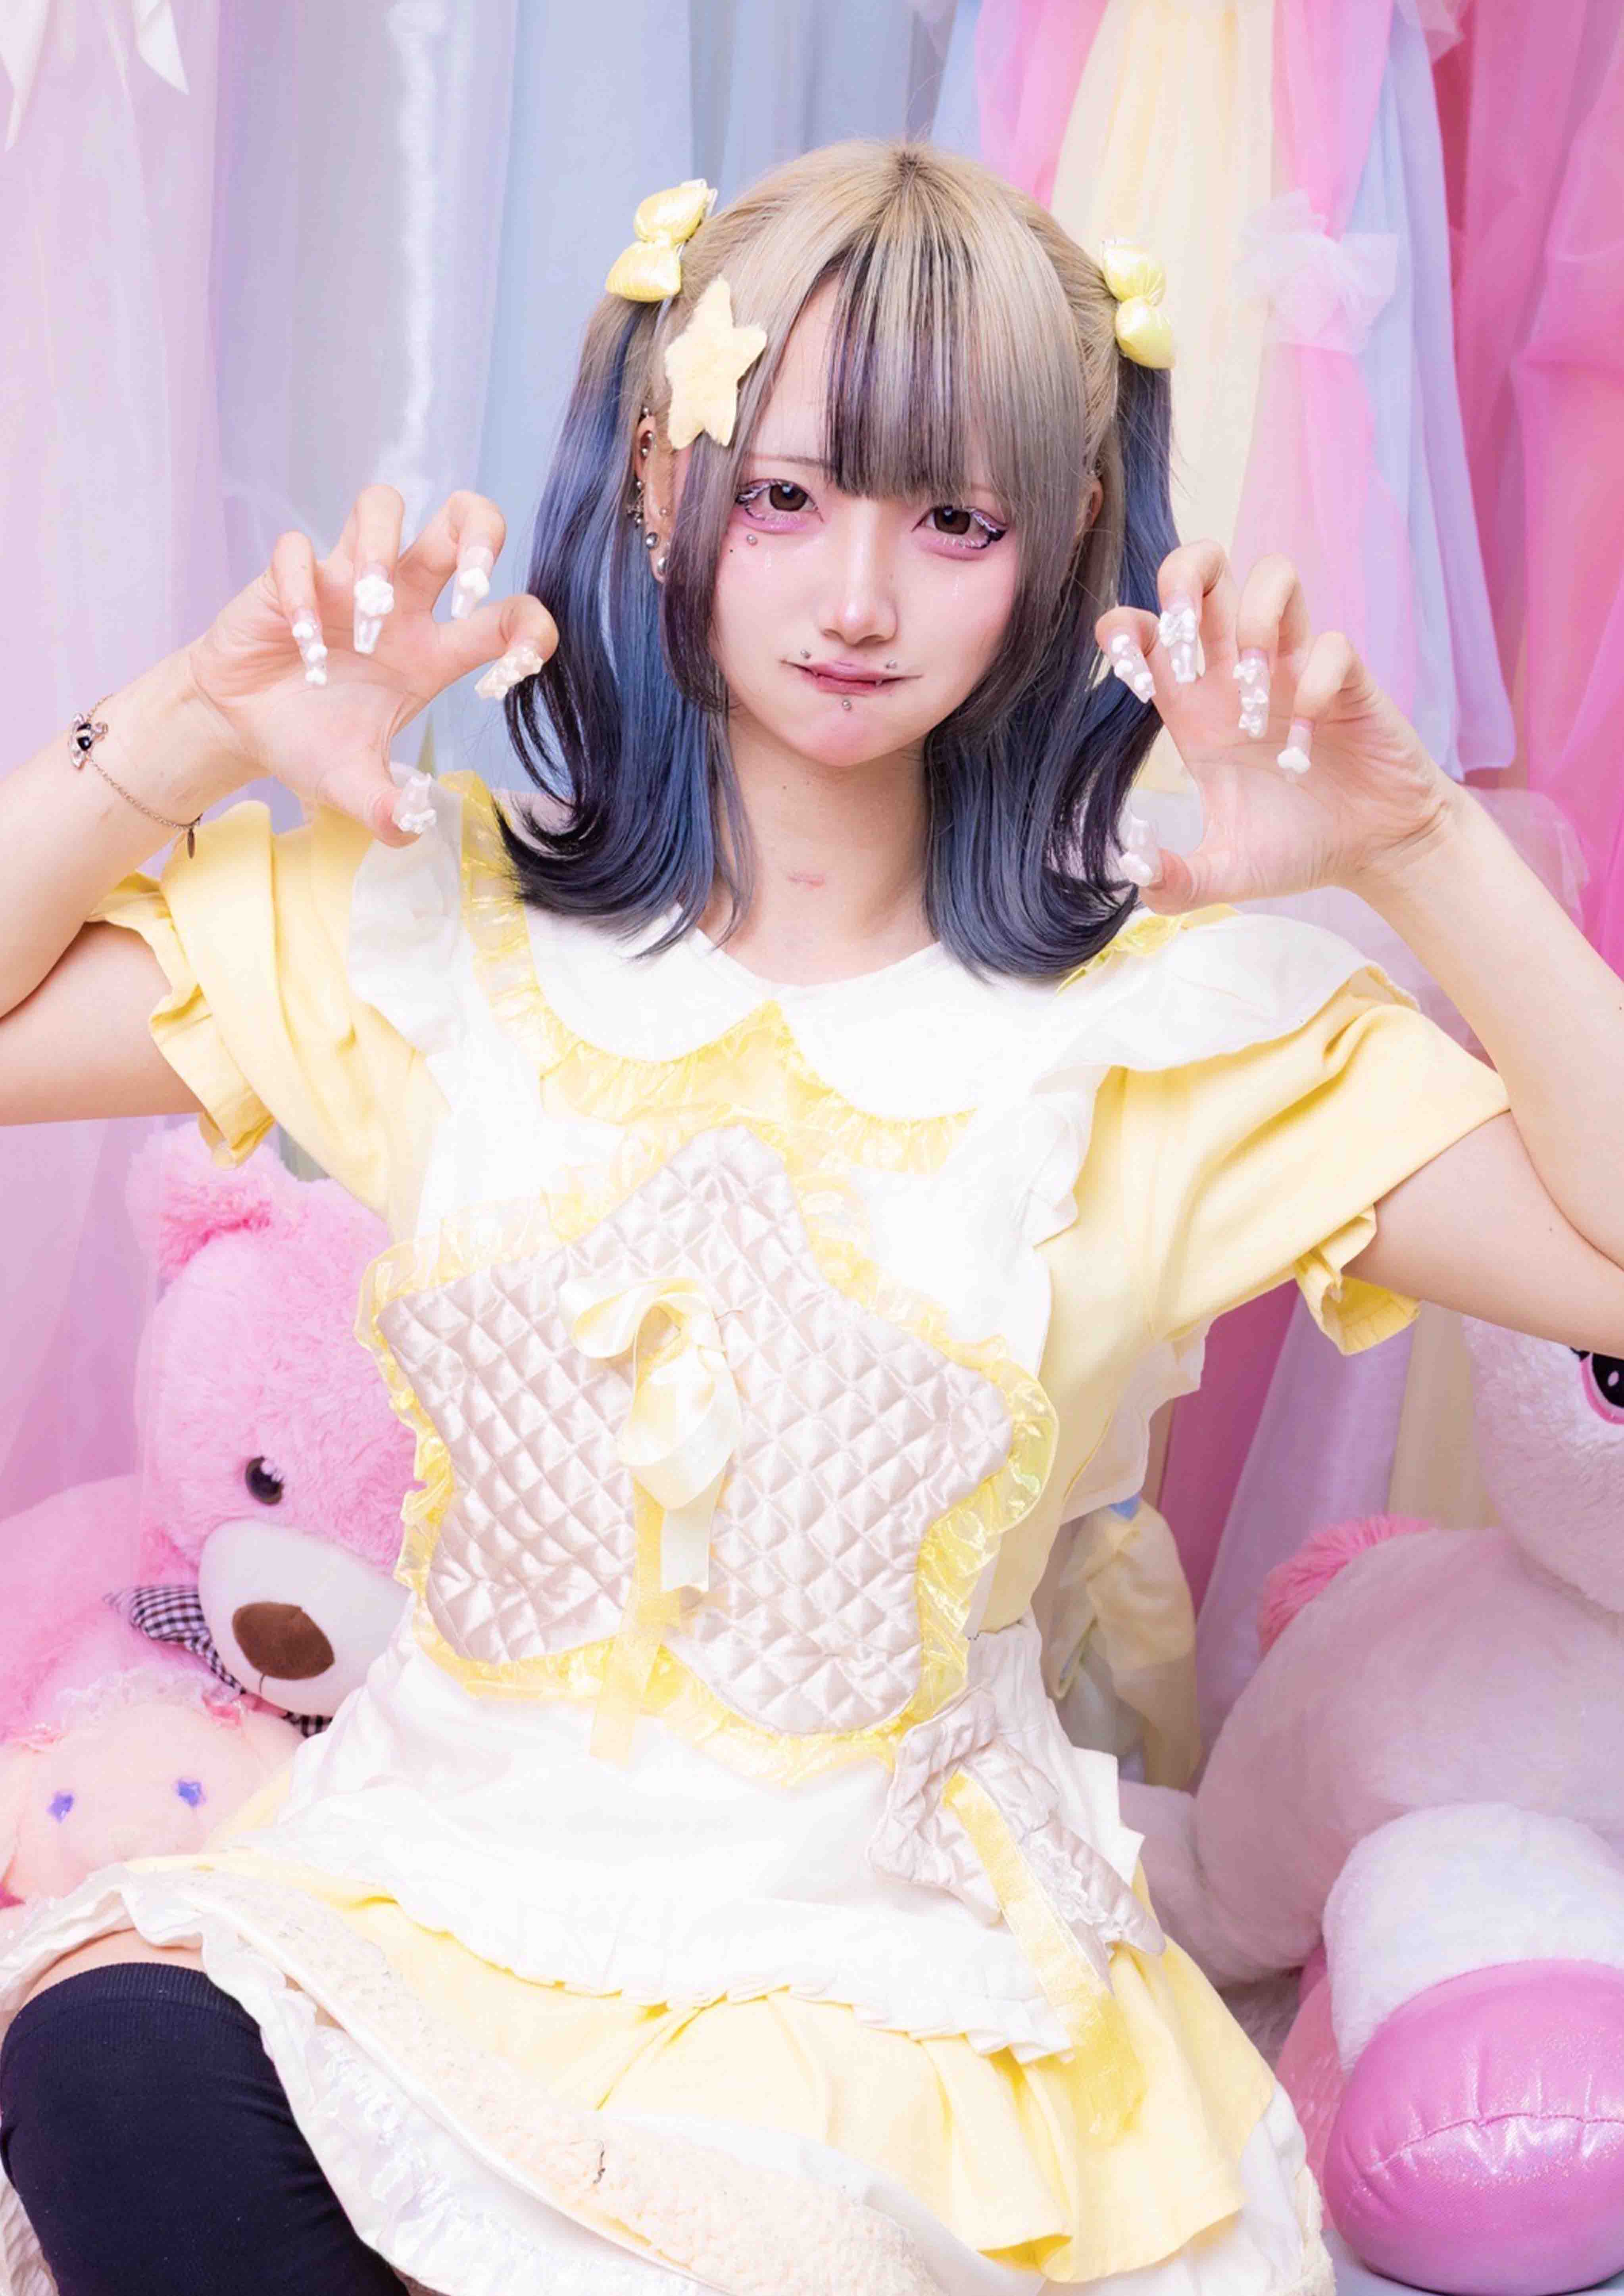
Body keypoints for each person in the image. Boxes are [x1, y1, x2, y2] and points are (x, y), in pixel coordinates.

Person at [0, 138, 1619, 2296]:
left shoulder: (1167, 1034)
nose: (859, 597)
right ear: (655, 478)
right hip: (431, 1898)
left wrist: (1413, 839)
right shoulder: (434, 936)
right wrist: (191, 724)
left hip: (873, 1992)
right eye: (784, 495)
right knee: (110, 2059)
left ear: (1063, 546)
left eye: (954, 520)